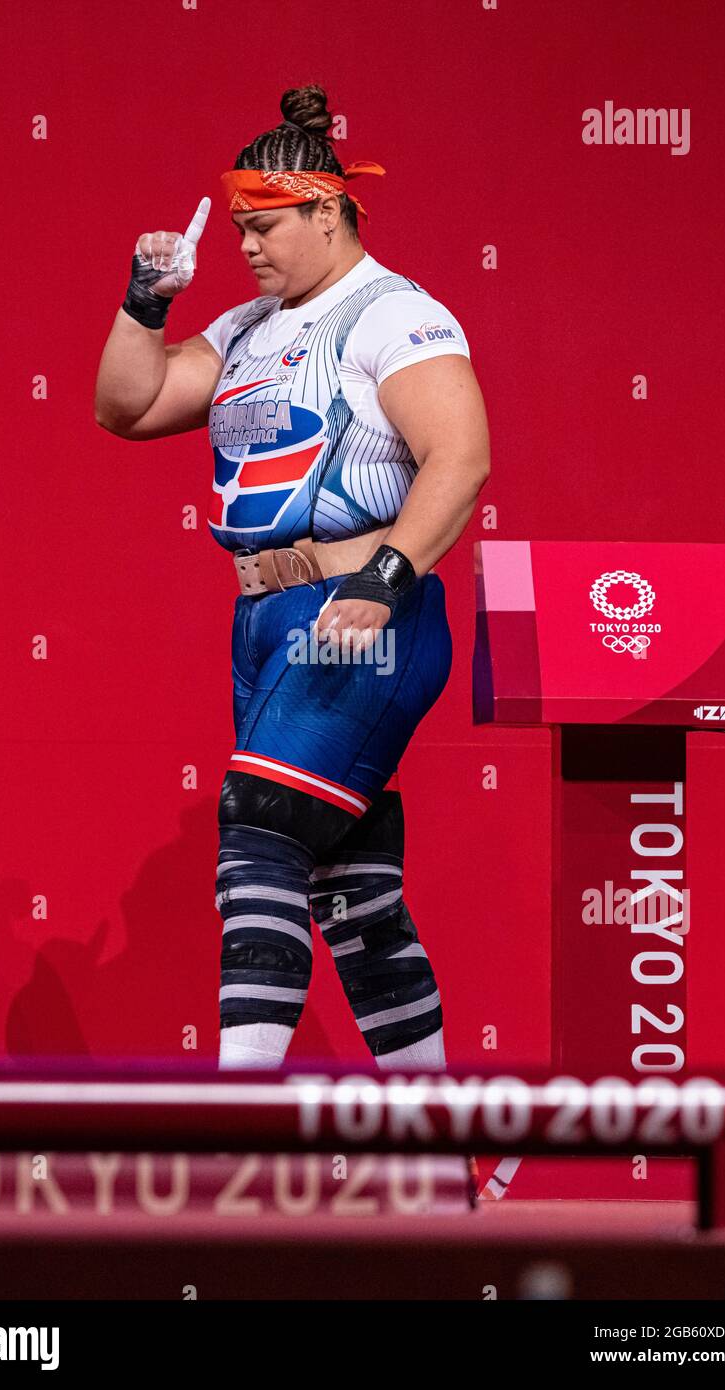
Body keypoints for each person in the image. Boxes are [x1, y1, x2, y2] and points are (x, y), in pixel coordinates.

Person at [94, 83, 491, 1073]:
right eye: (237, 231)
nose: (248, 248)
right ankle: (442, 1160)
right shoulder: (244, 328)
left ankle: (243, 1127)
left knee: (260, 830)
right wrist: (149, 297)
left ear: (328, 209)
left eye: (264, 227)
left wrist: (386, 578)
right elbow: (126, 408)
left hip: (358, 613)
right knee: (354, 890)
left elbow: (462, 456)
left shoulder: (395, 315)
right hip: (267, 621)